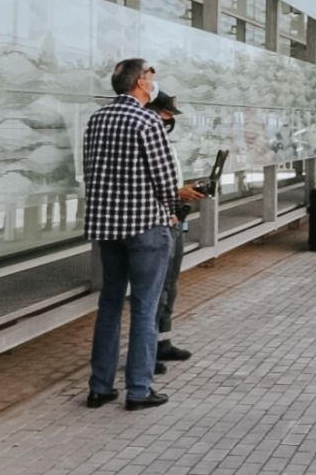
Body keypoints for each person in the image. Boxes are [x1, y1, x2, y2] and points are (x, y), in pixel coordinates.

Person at [83, 58, 176, 411]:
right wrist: (169, 208)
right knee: (144, 307)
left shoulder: (97, 119)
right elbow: (164, 178)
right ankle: (138, 389)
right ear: (139, 83)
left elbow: (90, 171)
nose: (153, 83)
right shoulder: (146, 119)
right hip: (144, 226)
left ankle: (100, 386)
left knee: (109, 304)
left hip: (107, 227)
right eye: (151, 78)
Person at [146, 92, 208, 371]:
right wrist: (176, 192)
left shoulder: (163, 143)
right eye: (165, 114)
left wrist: (185, 190)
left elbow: (169, 180)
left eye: (170, 115)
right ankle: (145, 352)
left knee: (169, 285)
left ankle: (161, 341)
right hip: (157, 222)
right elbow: (147, 186)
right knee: (155, 290)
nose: (169, 120)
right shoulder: (145, 139)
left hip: (173, 218)